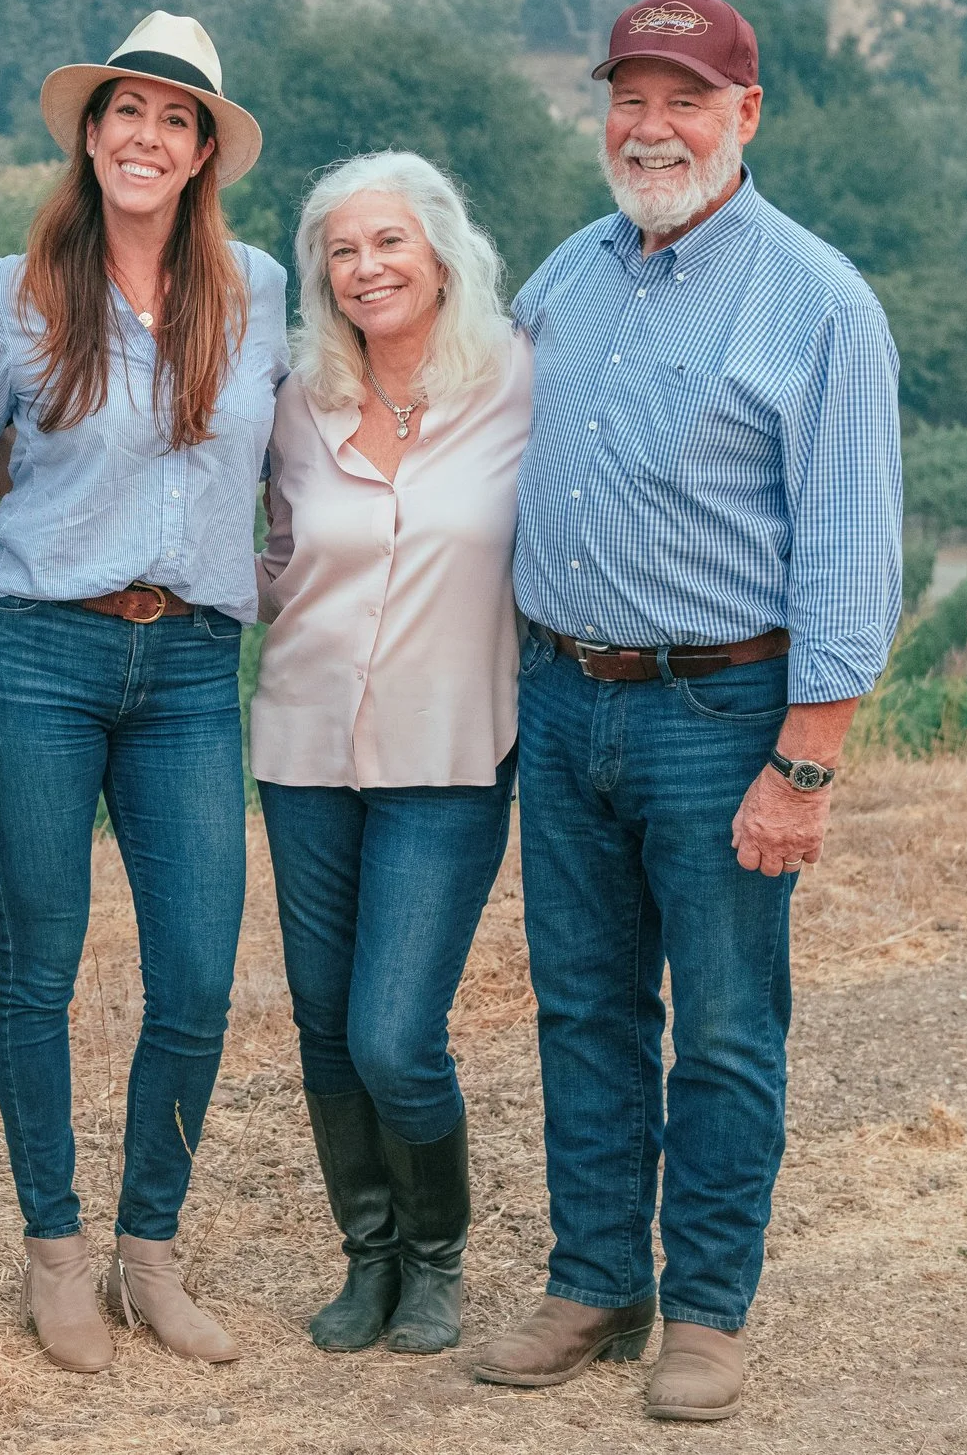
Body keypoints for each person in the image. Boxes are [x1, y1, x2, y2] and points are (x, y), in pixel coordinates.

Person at [466, 0, 903, 1421]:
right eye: (630, 97)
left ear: (746, 115)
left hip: (721, 714)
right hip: (564, 693)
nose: (652, 127)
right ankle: (595, 1278)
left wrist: (807, 764)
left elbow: (849, 549)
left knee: (721, 1025)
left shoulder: (817, 299)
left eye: (686, 99)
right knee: (583, 1008)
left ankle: (706, 1309)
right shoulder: (566, 275)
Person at [0, 12, 285, 1374]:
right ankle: (57, 1254)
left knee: (196, 971)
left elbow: (286, 464)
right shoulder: (12, 288)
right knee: (41, 964)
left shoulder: (255, 289)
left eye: (176, 118)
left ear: (204, 152)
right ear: (92, 134)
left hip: (194, 664)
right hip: (35, 650)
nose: (148, 135)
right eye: (126, 112)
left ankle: (153, 1249)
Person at [250, 152, 529, 1357]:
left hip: (452, 751)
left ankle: (436, 1259)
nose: (366, 268)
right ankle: (365, 1259)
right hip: (304, 741)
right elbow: (262, 552)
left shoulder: (520, 381)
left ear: (441, 253)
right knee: (322, 1022)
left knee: (394, 1034)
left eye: (389, 244)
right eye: (343, 251)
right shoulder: (293, 399)